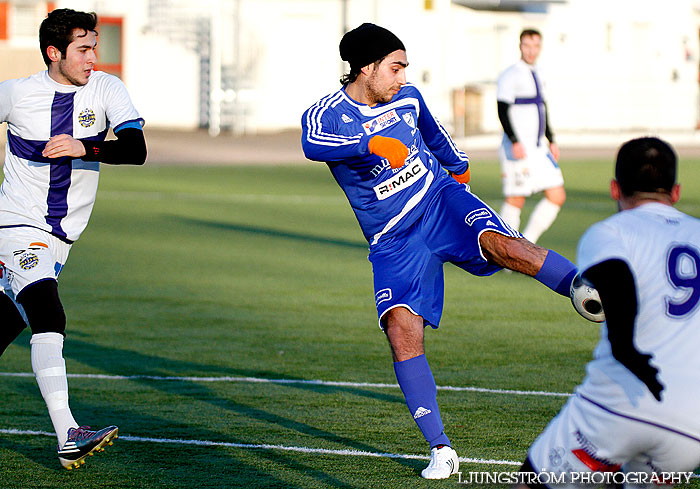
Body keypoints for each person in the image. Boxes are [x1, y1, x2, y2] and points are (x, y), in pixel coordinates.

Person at [301, 23, 578, 480]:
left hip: (439, 201)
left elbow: (437, 137)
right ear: (366, 68)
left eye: (405, 67)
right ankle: (441, 448)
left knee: (502, 244)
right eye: (395, 67)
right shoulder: (326, 114)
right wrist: (369, 144)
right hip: (392, 237)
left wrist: (460, 173)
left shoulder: (407, 99)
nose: (403, 76)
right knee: (401, 332)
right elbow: (313, 144)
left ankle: (584, 288)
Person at [0, 8, 146, 469]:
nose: (92, 57)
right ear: (54, 52)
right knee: (48, 310)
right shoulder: (18, 94)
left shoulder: (106, 88)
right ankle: (68, 432)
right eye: (83, 49)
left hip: (62, 239)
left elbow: (137, 151)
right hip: (18, 225)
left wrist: (87, 146)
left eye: (94, 47)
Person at [515, 137, 700, 488]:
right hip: (693, 424)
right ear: (675, 193)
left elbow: (615, 276)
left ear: (615, 188)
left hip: (620, 402)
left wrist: (624, 346)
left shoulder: (609, 232)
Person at [497, 29, 565, 244]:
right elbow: (502, 110)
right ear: (520, 46)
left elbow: (542, 108)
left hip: (539, 149)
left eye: (535, 46)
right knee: (516, 199)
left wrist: (551, 140)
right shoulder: (510, 74)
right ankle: (505, 252)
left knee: (557, 195)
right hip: (519, 148)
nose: (531, 50)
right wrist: (514, 141)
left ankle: (527, 244)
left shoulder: (540, 73)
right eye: (527, 45)